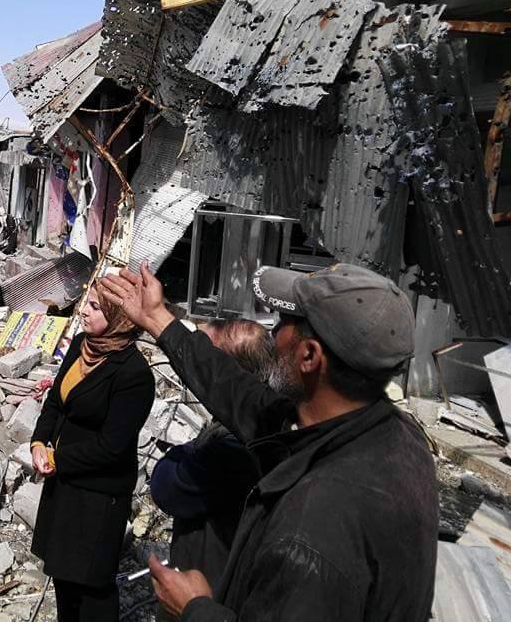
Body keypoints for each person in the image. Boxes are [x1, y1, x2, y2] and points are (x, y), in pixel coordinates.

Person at [98, 262, 437, 622]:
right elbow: (235, 390)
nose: (273, 334)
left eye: (284, 323)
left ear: (309, 356)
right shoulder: (390, 434)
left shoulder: (312, 531)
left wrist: (194, 609)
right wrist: (157, 319)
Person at [29, 289, 155, 622]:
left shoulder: (134, 374)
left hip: (98, 493)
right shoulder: (81, 345)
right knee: (62, 573)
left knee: (92, 586)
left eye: (95, 306)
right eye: (88, 302)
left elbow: (112, 446)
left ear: (119, 317)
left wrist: (57, 459)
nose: (84, 310)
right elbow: (56, 402)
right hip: (64, 483)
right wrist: (39, 442)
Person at [149, 319, 272, 585]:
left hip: (208, 581)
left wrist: (186, 451)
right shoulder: (265, 418)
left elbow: (168, 488)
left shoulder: (234, 446)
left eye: (206, 355)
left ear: (226, 371)